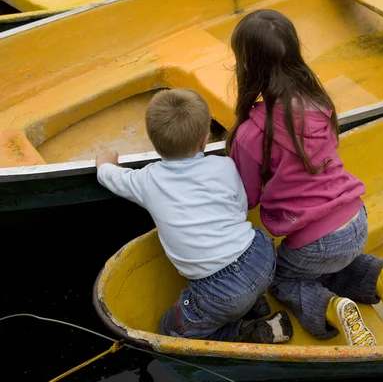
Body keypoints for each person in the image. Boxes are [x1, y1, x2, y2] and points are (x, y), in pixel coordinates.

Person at [226, 10, 383, 346]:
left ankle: (329, 308)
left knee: (283, 277)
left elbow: (247, 197)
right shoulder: (317, 103)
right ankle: (381, 276)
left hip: (315, 242)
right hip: (356, 221)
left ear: (246, 66)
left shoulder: (251, 132)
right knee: (328, 266)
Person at [95, 88, 293, 344]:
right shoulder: (225, 165)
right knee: (248, 241)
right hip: (261, 258)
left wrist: (105, 163)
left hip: (219, 292)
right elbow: (240, 209)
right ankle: (256, 301)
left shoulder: (147, 179)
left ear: (153, 143)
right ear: (205, 139)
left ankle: (246, 330)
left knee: (170, 329)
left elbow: (111, 177)